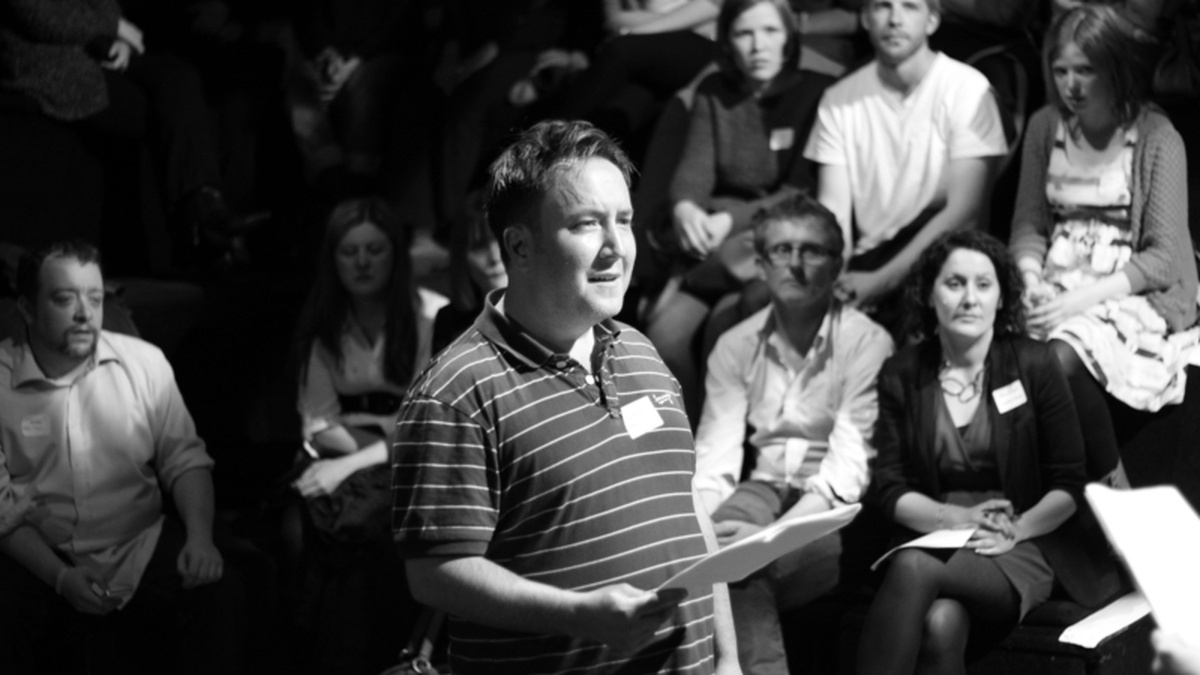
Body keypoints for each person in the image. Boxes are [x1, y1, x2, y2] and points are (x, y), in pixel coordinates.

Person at [391, 120, 739, 674]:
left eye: (623, 221)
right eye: (586, 224)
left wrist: (727, 659)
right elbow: (434, 575)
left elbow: (686, 501)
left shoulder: (638, 349)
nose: (615, 247)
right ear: (520, 246)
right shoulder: (457, 391)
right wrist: (577, 615)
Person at [856, 230, 1123, 675]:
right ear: (929, 294)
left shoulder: (1035, 363)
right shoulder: (902, 372)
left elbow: (1069, 484)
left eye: (983, 285)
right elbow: (889, 488)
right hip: (934, 529)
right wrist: (956, 518)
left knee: (913, 566)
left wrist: (1017, 529)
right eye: (954, 283)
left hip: (1021, 539)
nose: (969, 298)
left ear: (1001, 298)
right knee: (941, 625)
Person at [0, 240, 239, 674]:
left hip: (137, 538)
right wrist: (60, 577)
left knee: (223, 589)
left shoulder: (144, 362)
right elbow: (2, 512)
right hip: (39, 548)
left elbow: (185, 459)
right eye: (64, 299)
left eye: (94, 298)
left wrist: (200, 537)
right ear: (28, 310)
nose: (84, 313)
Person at [694, 194, 893, 674]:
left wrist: (767, 539)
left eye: (812, 251)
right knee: (706, 561)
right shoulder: (734, 344)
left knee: (738, 571)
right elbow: (714, 464)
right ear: (761, 265)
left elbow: (845, 472)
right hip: (759, 490)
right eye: (782, 250)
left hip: (834, 508)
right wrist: (700, 532)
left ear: (837, 264)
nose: (796, 264)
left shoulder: (867, 342)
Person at [1009, 4, 1198, 487]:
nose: (1072, 85)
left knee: (1061, 352)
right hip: (1055, 284)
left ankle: (1115, 484)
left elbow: (1163, 256)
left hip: (1131, 291)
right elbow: (1029, 224)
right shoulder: (1045, 126)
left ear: (1114, 67)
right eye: (1061, 71)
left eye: (1085, 70)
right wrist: (1030, 281)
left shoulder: (1156, 136)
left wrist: (1077, 301)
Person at [647, 0, 835, 420]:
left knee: (724, 329)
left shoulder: (817, 93)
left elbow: (799, 193)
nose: (758, 45)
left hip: (766, 242)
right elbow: (693, 173)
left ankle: (724, 443)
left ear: (789, 38)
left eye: (770, 31)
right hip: (714, 242)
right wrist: (685, 209)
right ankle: (683, 441)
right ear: (727, 42)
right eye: (744, 33)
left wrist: (729, 218)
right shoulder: (715, 92)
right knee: (663, 338)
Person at [288, 196, 445, 674]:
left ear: (395, 254)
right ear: (333, 259)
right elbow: (318, 424)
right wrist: (383, 443)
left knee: (382, 536)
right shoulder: (323, 323)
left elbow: (425, 424)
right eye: (349, 251)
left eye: (374, 250)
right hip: (340, 452)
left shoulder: (431, 316)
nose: (361, 262)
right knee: (301, 529)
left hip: (409, 463)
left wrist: (352, 461)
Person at [803, 0, 1007, 334]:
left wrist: (880, 282)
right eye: (883, 6)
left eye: (910, 6)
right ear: (865, 18)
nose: (895, 19)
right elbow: (833, 212)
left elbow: (966, 213)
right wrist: (836, 279)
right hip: (867, 260)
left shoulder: (969, 90)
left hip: (942, 261)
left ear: (932, 20)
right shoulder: (839, 99)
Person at [432, 193, 508, 353]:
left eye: (501, 241)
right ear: (461, 257)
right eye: (479, 247)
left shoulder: (551, 311)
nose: (494, 257)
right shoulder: (448, 323)